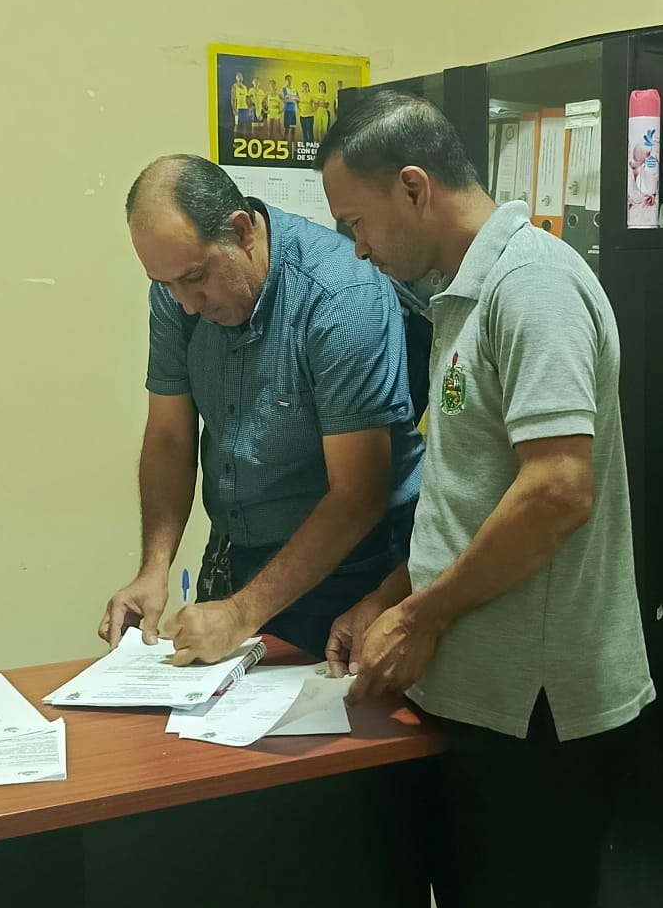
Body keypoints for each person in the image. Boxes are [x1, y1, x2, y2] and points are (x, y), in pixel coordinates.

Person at [316, 90, 654, 908]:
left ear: (414, 188)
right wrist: (388, 595)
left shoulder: (531, 286)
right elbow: (469, 496)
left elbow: (556, 490)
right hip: (478, 699)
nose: (357, 249)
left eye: (357, 222)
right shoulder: (459, 300)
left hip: (539, 716)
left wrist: (420, 616)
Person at [101, 154, 423, 666]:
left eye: (196, 277)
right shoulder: (177, 291)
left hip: (352, 571)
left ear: (241, 231)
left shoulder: (340, 295)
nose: (186, 303)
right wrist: (153, 569)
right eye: (166, 284)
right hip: (237, 557)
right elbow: (169, 437)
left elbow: (357, 494)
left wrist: (240, 613)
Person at [281, 73, 300, 148]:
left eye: (290, 79)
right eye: (288, 80)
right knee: (287, 130)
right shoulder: (284, 89)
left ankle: (292, 147)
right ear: (285, 81)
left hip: (293, 112)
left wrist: (291, 98)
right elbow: (285, 100)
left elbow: (298, 99)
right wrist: (293, 99)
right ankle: (284, 146)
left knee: (293, 130)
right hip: (287, 111)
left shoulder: (294, 89)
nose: (289, 81)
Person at [231, 71, 251, 139]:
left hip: (245, 108)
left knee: (244, 125)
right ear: (236, 78)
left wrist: (249, 108)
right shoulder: (234, 86)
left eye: (241, 76)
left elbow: (247, 98)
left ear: (242, 78)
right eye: (238, 76)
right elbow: (233, 98)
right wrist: (234, 109)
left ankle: (243, 139)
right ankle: (236, 139)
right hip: (238, 108)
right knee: (237, 125)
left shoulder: (245, 87)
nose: (240, 78)